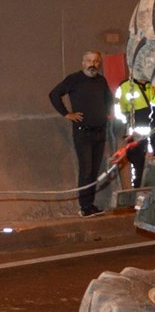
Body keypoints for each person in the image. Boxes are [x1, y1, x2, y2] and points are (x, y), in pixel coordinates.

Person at [49, 50, 114, 217]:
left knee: (94, 170)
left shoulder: (101, 80)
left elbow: (108, 98)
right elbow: (54, 94)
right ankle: (84, 207)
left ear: (99, 63)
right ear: (83, 63)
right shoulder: (74, 79)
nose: (93, 64)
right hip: (83, 133)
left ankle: (90, 205)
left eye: (96, 61)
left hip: (100, 132)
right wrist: (67, 114)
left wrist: (108, 112)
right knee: (86, 170)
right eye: (89, 61)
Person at [114, 72, 155, 187]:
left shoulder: (154, 84)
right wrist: (128, 126)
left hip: (154, 131)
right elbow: (118, 111)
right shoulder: (125, 86)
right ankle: (137, 190)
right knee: (138, 165)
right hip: (135, 133)